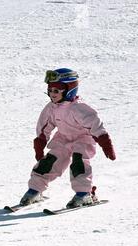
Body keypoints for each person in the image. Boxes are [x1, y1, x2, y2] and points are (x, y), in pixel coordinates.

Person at [20, 68, 116, 208]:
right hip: (63, 138)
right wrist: (40, 143)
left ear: (69, 90)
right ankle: (34, 190)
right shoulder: (51, 108)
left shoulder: (79, 108)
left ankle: (84, 194)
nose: (52, 94)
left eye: (56, 91)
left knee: (79, 163)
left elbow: (95, 125)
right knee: (48, 163)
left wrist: (105, 143)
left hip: (83, 139)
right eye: (50, 90)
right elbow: (44, 126)